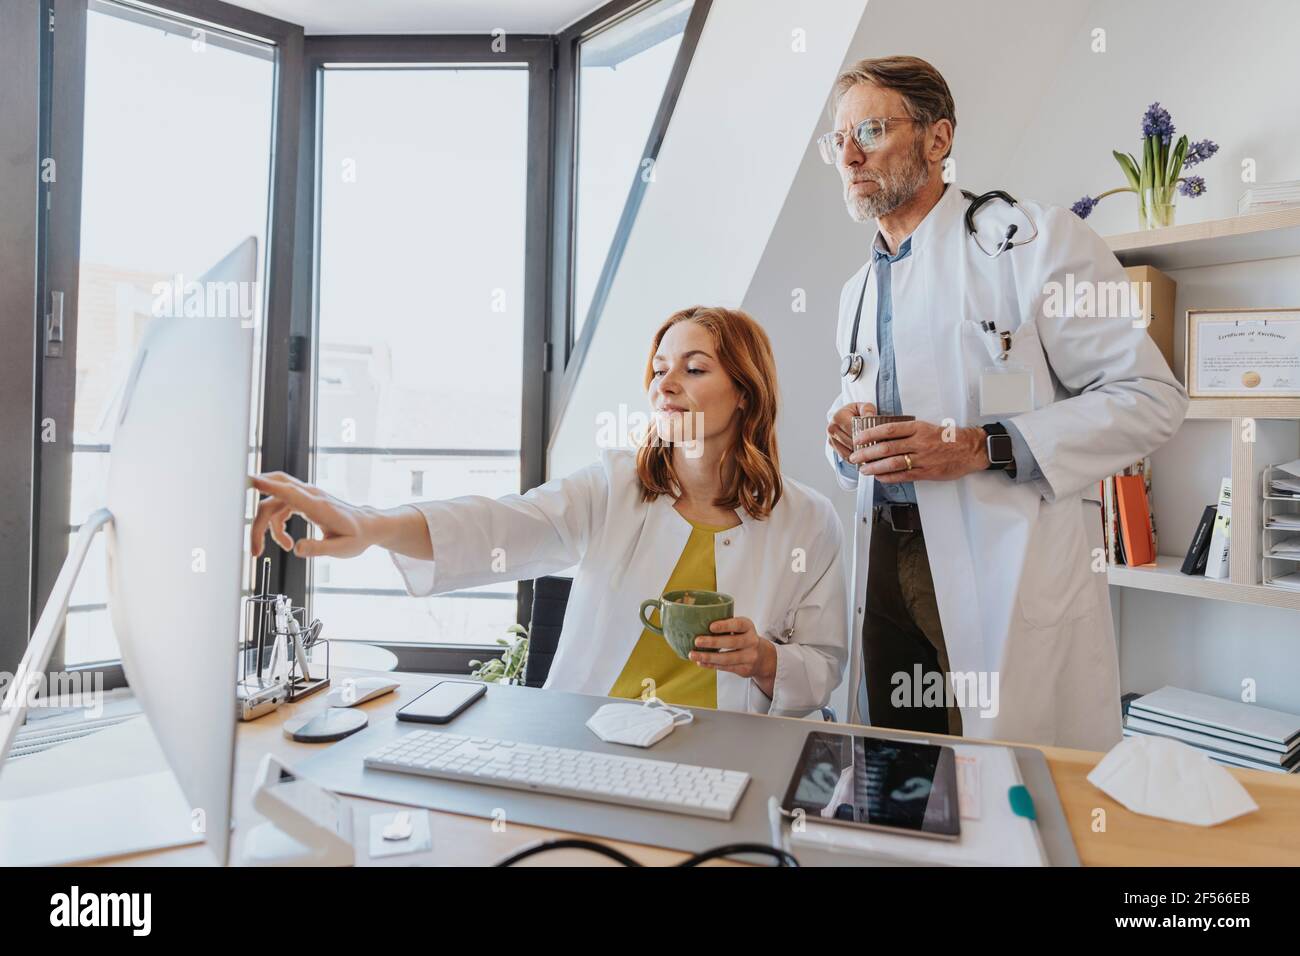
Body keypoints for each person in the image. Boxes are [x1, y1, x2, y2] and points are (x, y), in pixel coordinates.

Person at [820, 56, 1187, 749]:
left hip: (1001, 561)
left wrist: (980, 445)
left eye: (869, 129)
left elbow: (1150, 400)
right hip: (884, 561)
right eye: (836, 140)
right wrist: (844, 436)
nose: (849, 155)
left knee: (1004, 787)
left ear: (937, 139)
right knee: (901, 770)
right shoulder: (855, 293)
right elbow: (859, 406)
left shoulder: (1031, 242)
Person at [252, 306, 847, 716]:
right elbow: (502, 524)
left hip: (728, 753)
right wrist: (370, 524)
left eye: (694, 369)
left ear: (745, 391)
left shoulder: (808, 520)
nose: (667, 384)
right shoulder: (615, 488)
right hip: (592, 738)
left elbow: (823, 664)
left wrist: (765, 660)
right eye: (659, 369)